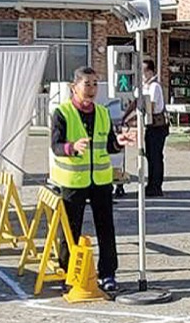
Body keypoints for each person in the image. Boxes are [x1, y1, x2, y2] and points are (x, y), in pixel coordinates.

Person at [50, 66, 133, 294]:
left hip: (100, 180)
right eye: (87, 84)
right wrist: (72, 147)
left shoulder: (103, 113)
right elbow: (55, 146)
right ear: (74, 87)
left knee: (106, 228)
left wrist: (119, 142)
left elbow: (107, 145)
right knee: (70, 230)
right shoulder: (62, 112)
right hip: (73, 180)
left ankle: (108, 273)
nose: (92, 89)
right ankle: (68, 274)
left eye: (95, 84)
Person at [123, 59, 169, 196]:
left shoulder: (155, 86)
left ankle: (156, 186)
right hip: (149, 125)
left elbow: (151, 107)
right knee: (149, 155)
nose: (141, 75)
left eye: (143, 72)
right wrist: (125, 118)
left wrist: (134, 119)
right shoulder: (142, 87)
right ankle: (151, 184)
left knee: (155, 156)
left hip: (158, 126)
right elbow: (135, 103)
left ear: (150, 72)